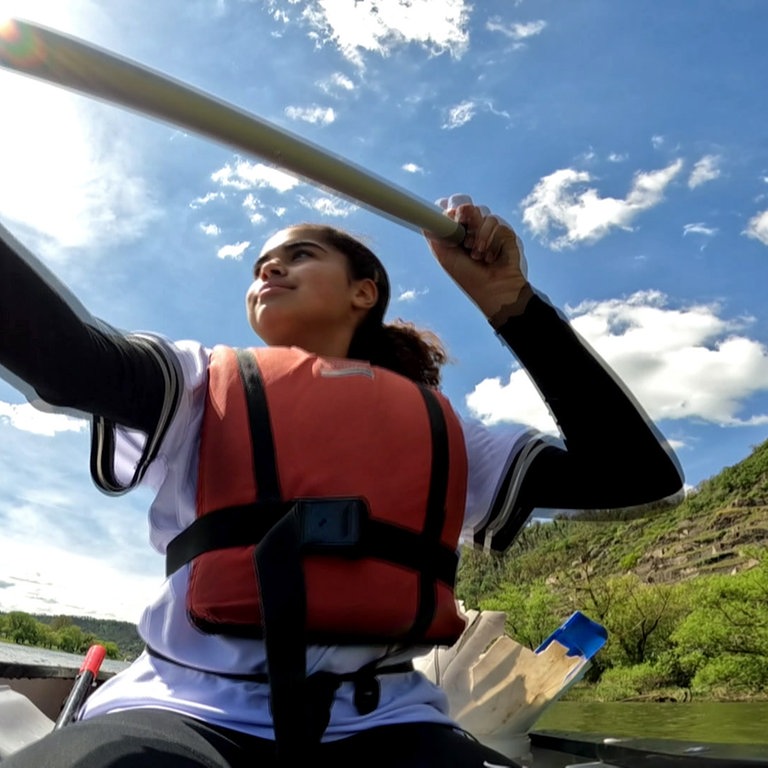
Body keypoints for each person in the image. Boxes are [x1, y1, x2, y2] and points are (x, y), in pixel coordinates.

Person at [0, 194, 683, 768]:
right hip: (181, 711)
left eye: (300, 253)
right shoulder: (194, 384)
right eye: (263, 261)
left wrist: (510, 303)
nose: (270, 264)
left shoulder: (446, 432)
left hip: (386, 724)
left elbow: (634, 476)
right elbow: (61, 357)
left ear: (365, 291)